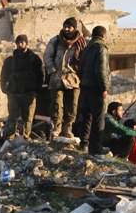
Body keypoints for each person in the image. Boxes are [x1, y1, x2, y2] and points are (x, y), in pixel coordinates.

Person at [44, 17, 86, 139]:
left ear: (74, 28)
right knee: (56, 104)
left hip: (73, 79)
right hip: (57, 78)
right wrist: (53, 71)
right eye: (65, 27)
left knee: (72, 105)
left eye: (69, 27)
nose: (66, 29)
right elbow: (47, 56)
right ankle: (57, 127)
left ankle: (68, 127)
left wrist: (79, 75)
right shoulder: (55, 41)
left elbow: (84, 60)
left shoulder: (81, 43)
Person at [0, 34, 44, 141]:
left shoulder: (34, 59)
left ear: (26, 44)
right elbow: (3, 76)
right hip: (14, 93)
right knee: (12, 117)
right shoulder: (10, 61)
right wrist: (5, 90)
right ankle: (9, 139)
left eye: (22, 42)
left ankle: (25, 138)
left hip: (29, 93)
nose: (20, 45)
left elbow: (41, 75)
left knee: (28, 118)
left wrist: (37, 89)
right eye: (18, 43)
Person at [76, 26, 111, 155]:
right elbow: (101, 70)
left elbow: (80, 70)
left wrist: (83, 82)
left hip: (86, 86)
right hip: (96, 88)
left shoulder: (87, 49)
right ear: (103, 36)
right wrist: (104, 87)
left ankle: (84, 143)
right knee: (98, 118)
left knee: (87, 116)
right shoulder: (101, 48)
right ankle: (95, 146)